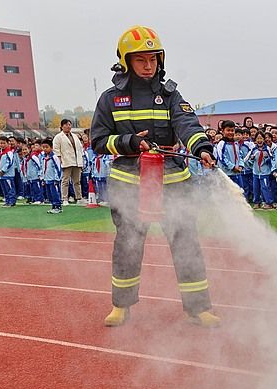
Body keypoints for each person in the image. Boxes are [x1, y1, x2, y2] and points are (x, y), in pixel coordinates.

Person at [90, 25, 219, 327]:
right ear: (126, 61)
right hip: (130, 185)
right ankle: (121, 306)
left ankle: (198, 309)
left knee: (186, 243)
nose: (148, 66)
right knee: (127, 246)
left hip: (174, 183)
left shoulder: (170, 95)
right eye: (140, 60)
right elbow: (98, 141)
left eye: (153, 59)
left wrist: (201, 147)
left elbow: (187, 123)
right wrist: (129, 142)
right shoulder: (110, 100)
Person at [53, 119, 86, 205]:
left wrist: (81, 160)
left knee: (77, 181)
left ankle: (79, 198)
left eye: (69, 125)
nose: (68, 126)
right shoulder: (58, 137)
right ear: (62, 126)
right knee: (65, 181)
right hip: (66, 161)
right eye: (66, 125)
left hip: (76, 161)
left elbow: (80, 149)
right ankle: (64, 198)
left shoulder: (75, 136)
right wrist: (60, 161)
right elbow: (56, 150)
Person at [41, 138, 64, 214]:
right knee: (49, 194)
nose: (45, 149)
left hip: (53, 180)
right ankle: (53, 206)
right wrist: (43, 178)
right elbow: (43, 168)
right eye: (43, 147)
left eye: (46, 147)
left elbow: (58, 168)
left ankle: (58, 207)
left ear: (51, 147)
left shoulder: (54, 157)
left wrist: (57, 179)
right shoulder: (43, 157)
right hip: (47, 179)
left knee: (55, 193)